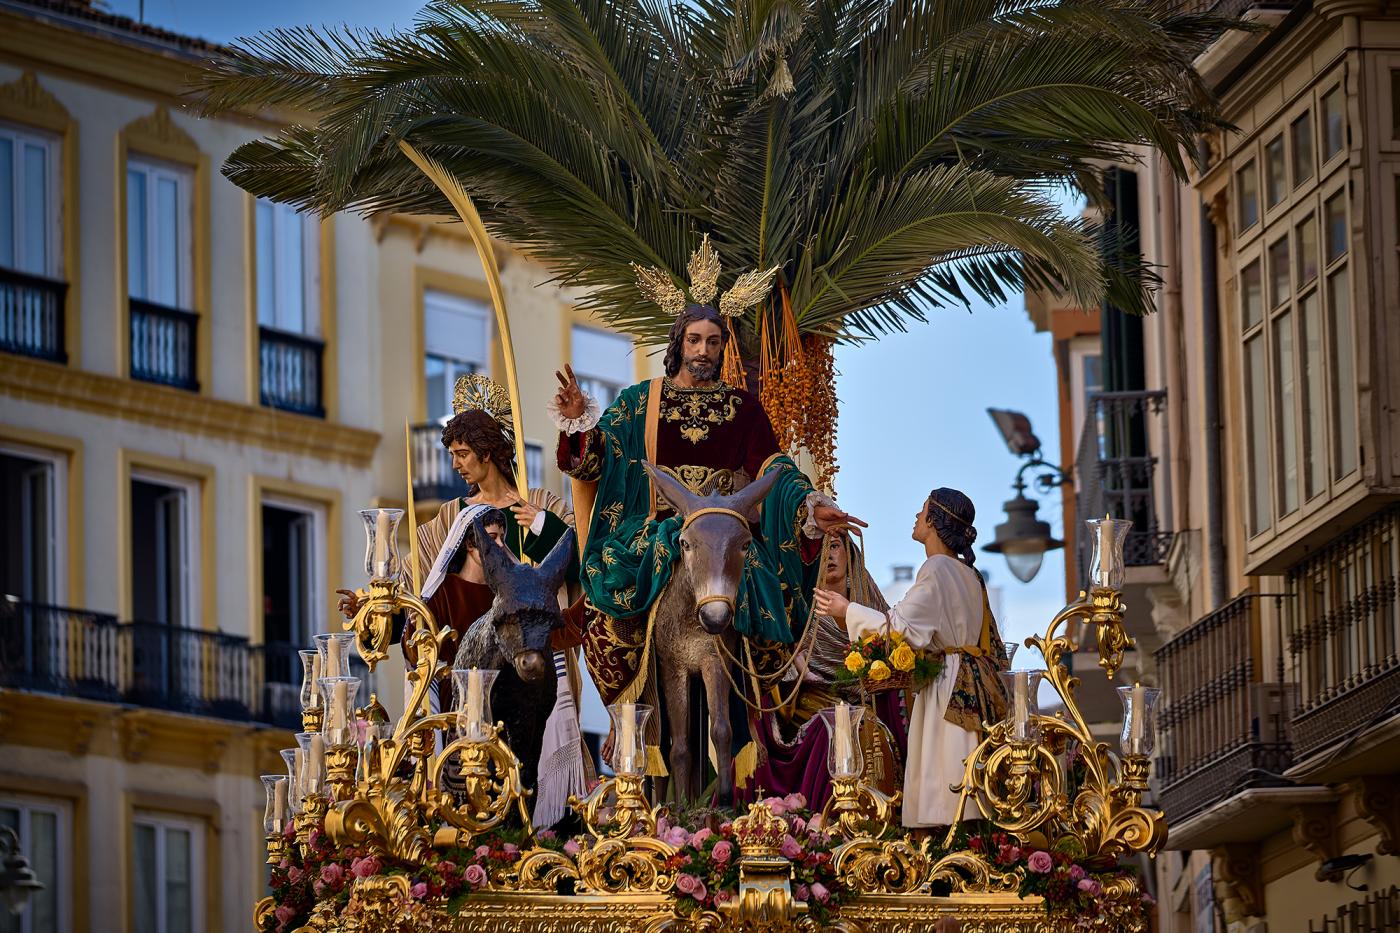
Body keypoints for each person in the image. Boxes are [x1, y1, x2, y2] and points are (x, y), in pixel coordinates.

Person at [549, 238, 862, 775]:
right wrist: (580, 424)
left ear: (723, 348)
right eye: (694, 339)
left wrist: (809, 503)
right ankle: (640, 727)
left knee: (759, 578)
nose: (703, 350)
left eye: (714, 341)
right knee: (623, 590)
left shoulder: (743, 409)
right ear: (678, 343)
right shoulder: (639, 402)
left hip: (725, 525)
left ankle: (752, 712)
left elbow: (774, 470)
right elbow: (596, 461)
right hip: (657, 527)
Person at [814, 488, 1009, 829]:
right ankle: (967, 835)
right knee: (963, 763)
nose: (917, 518)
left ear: (934, 522)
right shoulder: (970, 574)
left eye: (922, 511)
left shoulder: (936, 568)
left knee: (945, 768)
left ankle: (944, 837)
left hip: (948, 682)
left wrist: (846, 610)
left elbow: (901, 628)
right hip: (973, 685)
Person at [751, 532, 908, 811]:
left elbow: (891, 652)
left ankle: (882, 811)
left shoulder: (869, 605)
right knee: (836, 727)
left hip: (864, 702)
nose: (829, 555)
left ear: (849, 554)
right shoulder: (800, 608)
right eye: (821, 549)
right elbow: (780, 660)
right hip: (809, 702)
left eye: (835, 546)